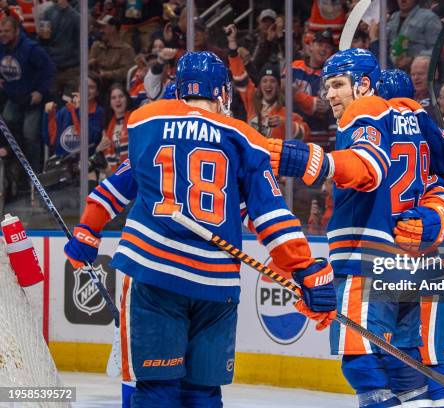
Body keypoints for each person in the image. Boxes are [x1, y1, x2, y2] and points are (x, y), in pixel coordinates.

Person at [63, 51, 337, 407]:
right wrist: (308, 269)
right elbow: (272, 216)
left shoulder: (146, 121)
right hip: (216, 286)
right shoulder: (245, 138)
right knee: (204, 395)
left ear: (177, 91)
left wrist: (87, 231)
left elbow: (116, 186)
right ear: (223, 94)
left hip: (152, 274)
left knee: (155, 391)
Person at [271, 49, 444, 408]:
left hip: (365, 260)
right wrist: (433, 220)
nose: (330, 94)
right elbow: (443, 180)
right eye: (327, 86)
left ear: (365, 86)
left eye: (339, 85)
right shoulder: (415, 126)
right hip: (408, 267)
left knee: (360, 362)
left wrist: (311, 161)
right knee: (402, 362)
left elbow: (366, 166)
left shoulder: (366, 112)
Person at [378, 67, 444, 408]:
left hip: (433, 248)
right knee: (417, 317)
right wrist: (442, 136)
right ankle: (425, 388)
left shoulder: (378, 134)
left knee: (425, 312)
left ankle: (436, 388)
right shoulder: (429, 132)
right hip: (442, 245)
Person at [226, 24, 309, 140]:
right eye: (264, 81)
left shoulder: (285, 112)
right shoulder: (252, 100)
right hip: (253, 157)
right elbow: (239, 74)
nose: (268, 85)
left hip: (275, 157)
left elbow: (305, 132)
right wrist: (232, 44)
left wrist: (286, 124)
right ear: (259, 85)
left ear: (278, 86)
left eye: (272, 81)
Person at [0, 15, 55, 175]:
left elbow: (50, 70)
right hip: (13, 98)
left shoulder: (31, 49)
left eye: (7, 31)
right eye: (1, 31)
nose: (3, 34)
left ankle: (35, 173)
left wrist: (40, 91)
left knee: (30, 133)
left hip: (33, 100)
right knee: (6, 126)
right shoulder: (1, 47)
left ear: (16, 31)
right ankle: (14, 170)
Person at [387, 0, 442, 68]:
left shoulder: (429, 18)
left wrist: (412, 59)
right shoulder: (393, 18)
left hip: (419, 72)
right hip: (392, 70)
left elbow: (437, 49)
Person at [99, 83, 133, 175]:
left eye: (121, 96)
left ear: (126, 99)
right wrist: (99, 149)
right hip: (114, 174)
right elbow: (101, 156)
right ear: (110, 103)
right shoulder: (106, 128)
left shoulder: (136, 120)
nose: (118, 100)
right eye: (113, 98)